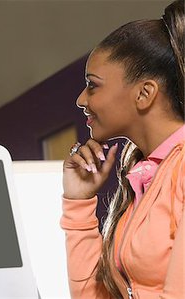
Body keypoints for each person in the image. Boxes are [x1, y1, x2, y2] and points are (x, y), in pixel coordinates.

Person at [61, 0, 184, 298]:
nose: (81, 99)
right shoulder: (147, 176)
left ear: (144, 93)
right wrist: (78, 204)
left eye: (93, 85)